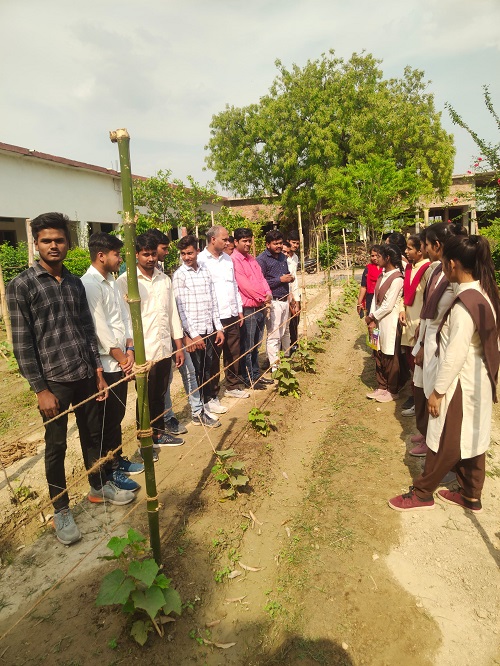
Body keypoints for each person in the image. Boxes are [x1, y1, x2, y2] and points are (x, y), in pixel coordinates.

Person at [7, 213, 135, 546]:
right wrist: (40, 390)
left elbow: (87, 331)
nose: (54, 246)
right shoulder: (22, 285)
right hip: (54, 383)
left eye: (59, 240)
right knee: (57, 446)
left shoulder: (76, 283)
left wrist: (97, 373)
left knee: (93, 435)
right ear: (36, 243)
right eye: (47, 240)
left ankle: (97, 486)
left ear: (68, 243)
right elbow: (22, 344)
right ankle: (61, 509)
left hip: (84, 375)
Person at [389, 235, 500, 512]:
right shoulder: (484, 293)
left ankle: (423, 492)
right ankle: (470, 494)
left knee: (445, 440)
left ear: (451, 264)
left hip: (459, 383)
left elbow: (454, 355)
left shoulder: (464, 306)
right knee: (473, 437)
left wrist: (438, 392)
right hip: (479, 379)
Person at [81, 232, 144, 492]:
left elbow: (124, 317)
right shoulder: (90, 284)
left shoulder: (112, 281)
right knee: (105, 420)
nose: (120, 259)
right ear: (101, 255)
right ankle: (107, 470)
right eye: (117, 254)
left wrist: (130, 349)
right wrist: (120, 358)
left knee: (117, 416)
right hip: (107, 365)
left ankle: (117, 459)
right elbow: (99, 328)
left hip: (121, 361)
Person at [117, 233, 185, 448]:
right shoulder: (126, 282)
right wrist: (131, 350)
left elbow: (172, 313)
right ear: (136, 255)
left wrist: (179, 345)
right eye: (145, 254)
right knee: (144, 397)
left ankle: (158, 434)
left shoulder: (164, 280)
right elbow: (124, 318)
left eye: (153, 254)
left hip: (164, 347)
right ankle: (145, 441)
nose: (150, 259)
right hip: (143, 350)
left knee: (160, 393)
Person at [409, 223, 461, 457]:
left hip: (439, 341)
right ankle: (428, 433)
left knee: (435, 393)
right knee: (423, 387)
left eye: (427, 245)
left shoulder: (452, 273)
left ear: (437, 246)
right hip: (427, 336)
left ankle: (435, 444)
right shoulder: (437, 270)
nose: (425, 250)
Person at [172, 235, 225, 415]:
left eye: (190, 253)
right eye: (183, 254)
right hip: (194, 333)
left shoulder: (204, 270)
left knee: (209, 366)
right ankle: (200, 404)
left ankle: (210, 398)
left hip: (208, 329)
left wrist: (218, 328)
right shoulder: (180, 276)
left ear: (197, 251)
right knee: (196, 371)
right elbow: (180, 309)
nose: (187, 257)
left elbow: (213, 300)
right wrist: (193, 335)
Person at [198, 226, 249, 403]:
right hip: (213, 317)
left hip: (231, 313)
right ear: (213, 239)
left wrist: (239, 310)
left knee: (233, 351)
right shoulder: (200, 260)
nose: (228, 242)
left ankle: (232, 385)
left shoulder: (228, 260)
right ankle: (211, 394)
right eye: (225, 239)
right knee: (212, 357)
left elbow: (233, 285)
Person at [232, 228, 273, 389]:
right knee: (247, 345)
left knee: (257, 343)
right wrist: (263, 297)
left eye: (250, 240)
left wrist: (268, 293)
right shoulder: (235, 261)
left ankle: (256, 374)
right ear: (236, 242)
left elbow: (261, 279)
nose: (248, 243)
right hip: (248, 308)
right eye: (244, 241)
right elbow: (245, 286)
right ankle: (248, 377)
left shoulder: (251, 259)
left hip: (259, 306)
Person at [365, 244, 406, 403]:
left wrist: (372, 317)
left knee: (390, 355)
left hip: (389, 321)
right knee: (378, 352)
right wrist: (372, 318)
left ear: (387, 258)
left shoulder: (397, 279)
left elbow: (388, 305)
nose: (376, 259)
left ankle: (392, 389)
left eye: (379, 256)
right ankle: (382, 386)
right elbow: (376, 299)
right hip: (377, 321)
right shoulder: (382, 275)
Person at [398, 235, 430, 416]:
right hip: (408, 320)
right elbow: (406, 293)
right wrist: (402, 309)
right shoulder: (409, 267)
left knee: (419, 363)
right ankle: (415, 396)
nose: (406, 251)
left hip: (419, 322)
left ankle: (419, 399)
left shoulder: (427, 269)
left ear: (420, 250)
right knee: (411, 361)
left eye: (410, 249)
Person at [257, 230, 294, 370]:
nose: (278, 246)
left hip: (284, 299)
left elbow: (284, 276)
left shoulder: (282, 257)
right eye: (275, 244)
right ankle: (275, 368)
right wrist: (280, 280)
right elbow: (261, 282)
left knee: (284, 332)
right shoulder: (262, 260)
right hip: (274, 301)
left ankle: (284, 360)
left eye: (280, 243)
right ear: (267, 244)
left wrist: (289, 279)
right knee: (274, 335)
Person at [282, 240, 300, 355]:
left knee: (291, 324)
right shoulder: (275, 262)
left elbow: (294, 281)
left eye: (286, 252)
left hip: (291, 294)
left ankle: (290, 348)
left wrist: (295, 299)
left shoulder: (294, 258)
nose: (285, 254)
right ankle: (273, 358)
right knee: (277, 330)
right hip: (279, 298)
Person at [356, 245, 382, 318]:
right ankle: (375, 330)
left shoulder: (386, 268)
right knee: (371, 322)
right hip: (370, 298)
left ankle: (379, 330)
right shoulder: (368, 269)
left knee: (380, 322)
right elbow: (364, 286)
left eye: (377, 255)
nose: (374, 258)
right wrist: (359, 303)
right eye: (372, 256)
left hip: (382, 299)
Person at [287, 232, 301, 350]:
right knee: (286, 321)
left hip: (296, 292)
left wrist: (297, 298)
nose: (296, 245)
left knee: (296, 318)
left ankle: (294, 343)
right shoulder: (283, 257)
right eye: (294, 243)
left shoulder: (295, 257)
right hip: (286, 293)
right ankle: (287, 347)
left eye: (297, 243)